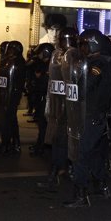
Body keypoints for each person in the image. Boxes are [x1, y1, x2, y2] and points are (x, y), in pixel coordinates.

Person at [63, 29, 111, 208]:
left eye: (84, 45)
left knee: (80, 154)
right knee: (95, 154)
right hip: (97, 116)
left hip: (91, 116)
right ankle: (101, 185)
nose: (82, 49)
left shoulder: (97, 65)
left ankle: (81, 194)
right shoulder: (103, 63)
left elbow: (85, 87)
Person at [37, 26, 78, 190]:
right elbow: (51, 85)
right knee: (58, 143)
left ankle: (66, 172)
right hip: (57, 108)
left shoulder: (75, 56)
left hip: (71, 109)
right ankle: (57, 173)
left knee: (68, 144)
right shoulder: (56, 55)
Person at [0, 40, 26, 155]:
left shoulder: (19, 62)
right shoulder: (8, 61)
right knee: (11, 120)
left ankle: (6, 144)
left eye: (12, 50)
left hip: (12, 95)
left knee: (8, 121)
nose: (9, 52)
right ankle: (15, 143)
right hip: (5, 94)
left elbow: (16, 81)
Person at [29, 43, 54, 156]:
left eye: (41, 53)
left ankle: (42, 146)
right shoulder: (43, 64)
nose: (39, 55)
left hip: (47, 99)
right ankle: (39, 144)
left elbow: (45, 83)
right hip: (41, 97)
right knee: (41, 123)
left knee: (44, 124)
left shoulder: (51, 66)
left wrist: (41, 77)